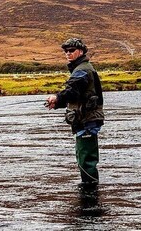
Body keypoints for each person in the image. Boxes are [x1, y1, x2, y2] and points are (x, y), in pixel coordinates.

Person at [46, 38, 104, 188]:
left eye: (71, 50)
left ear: (81, 51)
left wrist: (57, 97)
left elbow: (72, 90)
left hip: (87, 120)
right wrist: (58, 103)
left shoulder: (82, 70)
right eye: (66, 51)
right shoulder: (81, 68)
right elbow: (77, 95)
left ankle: (90, 193)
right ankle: (89, 192)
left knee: (86, 160)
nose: (68, 53)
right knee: (83, 158)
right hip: (85, 120)